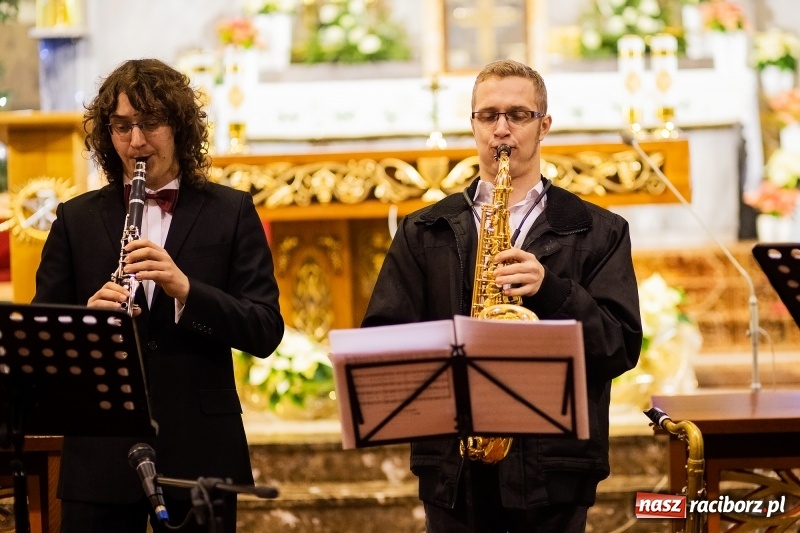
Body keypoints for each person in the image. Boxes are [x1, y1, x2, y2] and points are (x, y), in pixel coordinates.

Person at [361, 59, 642, 533]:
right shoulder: (422, 229)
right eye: (488, 116)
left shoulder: (600, 230)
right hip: (453, 472)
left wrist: (551, 292)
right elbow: (382, 341)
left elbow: (620, 345)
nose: (502, 130)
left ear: (544, 125)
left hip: (554, 473)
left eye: (518, 115)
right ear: (473, 125)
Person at [33, 58, 284, 533]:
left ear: (181, 127)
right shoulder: (75, 218)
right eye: (122, 126)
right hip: (101, 451)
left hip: (201, 452)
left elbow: (265, 329)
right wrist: (84, 321)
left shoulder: (231, 211)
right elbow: (41, 342)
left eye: (150, 124)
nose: (135, 141)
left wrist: (187, 290)